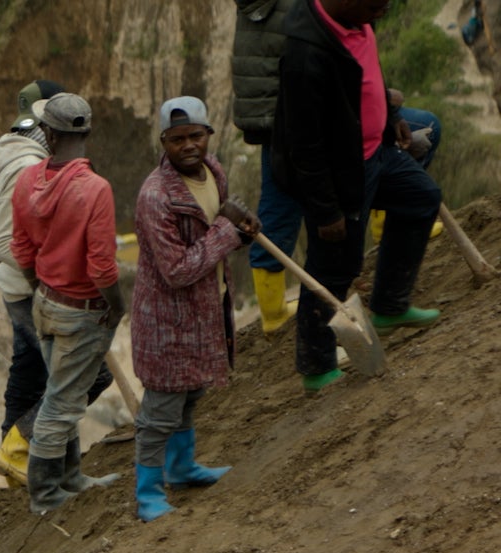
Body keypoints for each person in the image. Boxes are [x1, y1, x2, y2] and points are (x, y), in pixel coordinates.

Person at [276, 0, 441, 395]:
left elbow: (366, 76)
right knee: (333, 263)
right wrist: (325, 209)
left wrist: (391, 118)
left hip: (374, 152)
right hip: (336, 173)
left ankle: (390, 305)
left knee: (421, 197)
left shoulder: (359, 20)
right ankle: (316, 367)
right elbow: (305, 145)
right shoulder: (305, 51)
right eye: (377, 4)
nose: (383, 11)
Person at [0, 79, 111, 482]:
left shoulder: (9, 149)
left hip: (19, 289)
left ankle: (19, 460)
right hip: (34, 291)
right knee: (87, 374)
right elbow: (1, 240)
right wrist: (44, 263)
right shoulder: (26, 163)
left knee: (32, 373)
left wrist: (23, 222)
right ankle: (22, 447)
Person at [128, 98, 256, 521]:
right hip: (167, 320)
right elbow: (178, 270)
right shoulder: (155, 197)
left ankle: (181, 468)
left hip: (204, 310)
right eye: (177, 139)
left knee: (190, 394)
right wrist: (227, 231)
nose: (188, 146)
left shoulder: (213, 170)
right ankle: (148, 492)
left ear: (208, 136)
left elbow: (217, 224)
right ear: (163, 141)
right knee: (160, 409)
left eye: (196, 136)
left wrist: (241, 229)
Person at [9, 92, 126, 512]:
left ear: (48, 134)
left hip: (45, 301)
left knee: (64, 391)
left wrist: (39, 285)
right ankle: (44, 493)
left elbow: (21, 249)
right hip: (82, 310)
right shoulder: (94, 189)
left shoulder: (27, 181)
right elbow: (101, 268)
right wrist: (117, 305)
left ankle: (70, 476)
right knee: (62, 402)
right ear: (86, 131)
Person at [232, 2, 303, 333]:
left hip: (270, 111)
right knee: (282, 202)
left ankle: (273, 310)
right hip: (289, 112)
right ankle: (275, 314)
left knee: (280, 200)